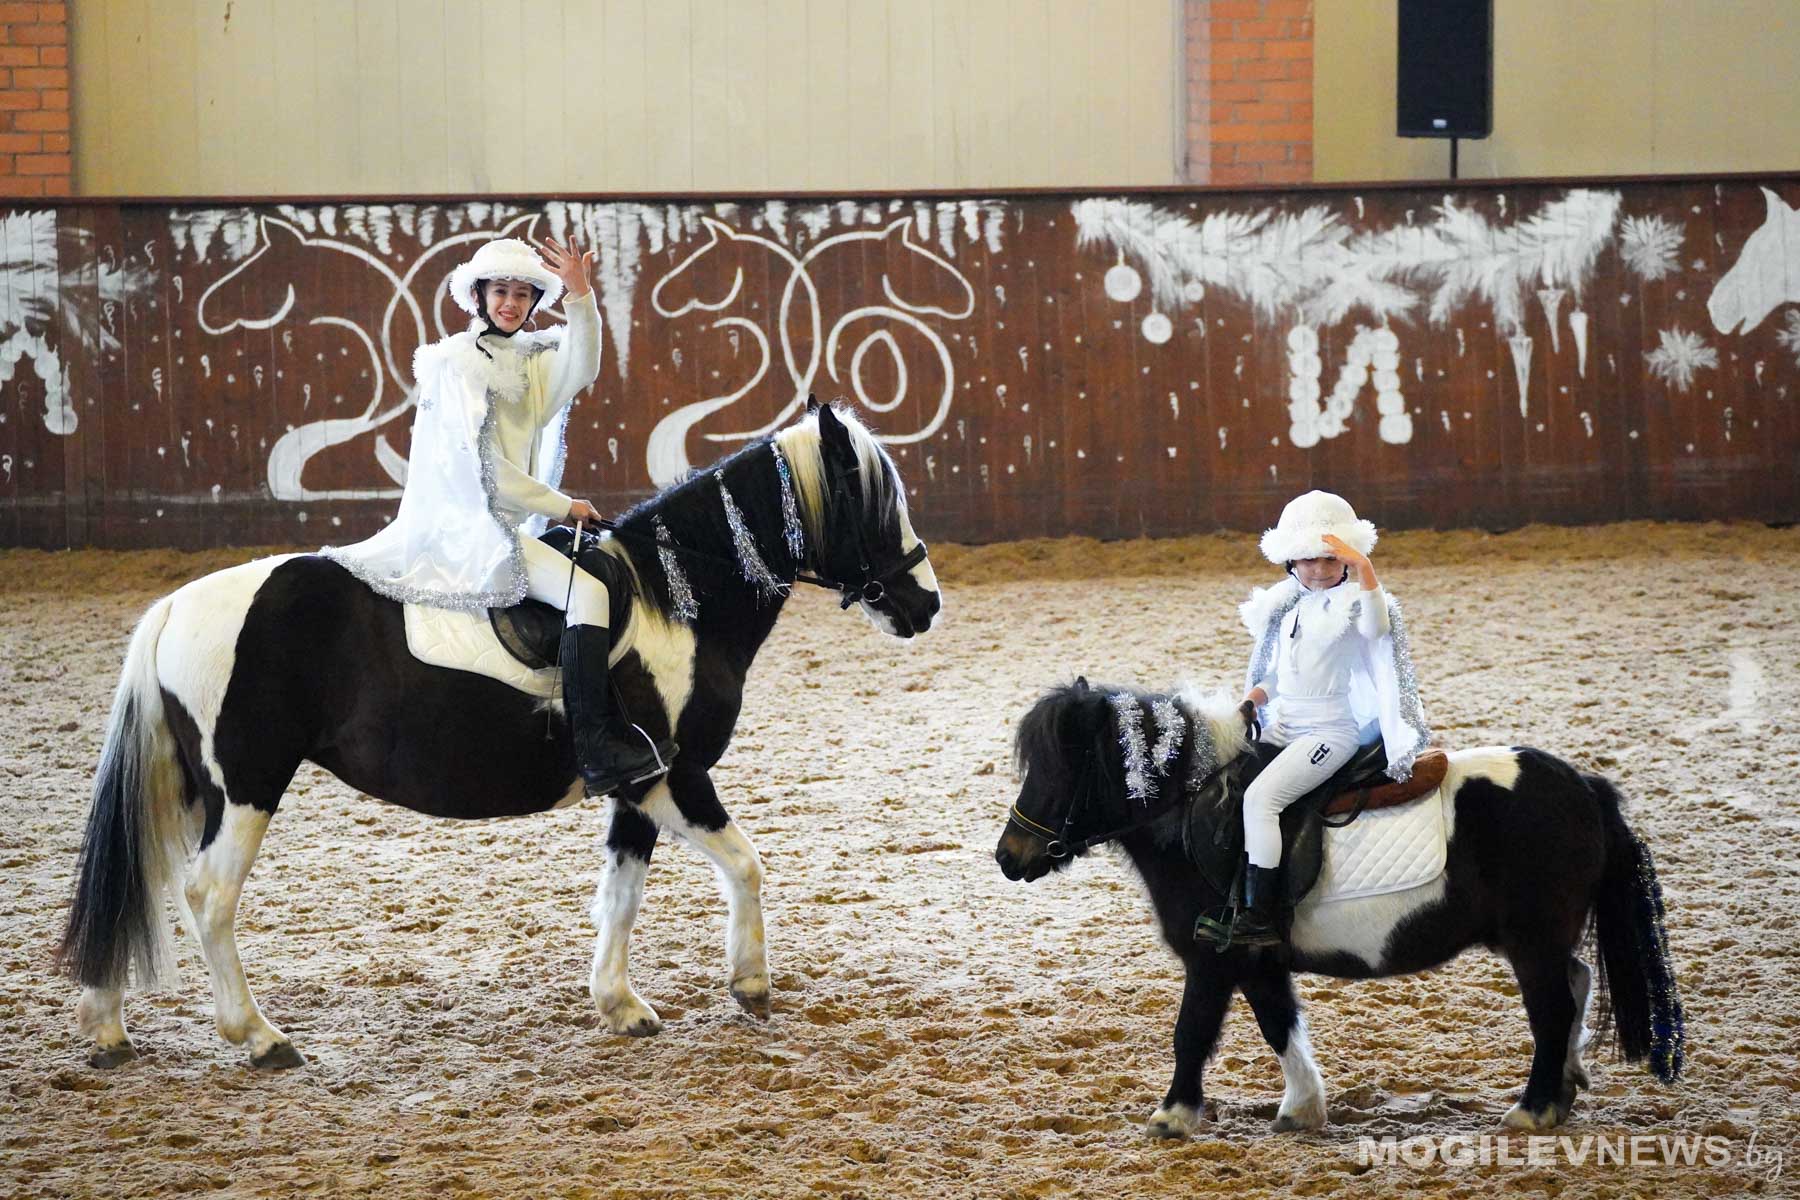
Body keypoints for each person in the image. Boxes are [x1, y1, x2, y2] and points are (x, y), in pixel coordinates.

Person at [322, 235, 673, 796]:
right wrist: (564, 505)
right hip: (472, 522)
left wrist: (581, 298)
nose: (510, 303)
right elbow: (483, 470)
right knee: (589, 595)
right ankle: (598, 745)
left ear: (533, 303)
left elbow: (583, 366)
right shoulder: (457, 364)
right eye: (501, 292)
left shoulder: (529, 359)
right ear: (479, 295)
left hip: (514, 520)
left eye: (521, 294)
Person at [1231, 490, 1431, 944]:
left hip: (1328, 733)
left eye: (1330, 560)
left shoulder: (1357, 603)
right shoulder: (1284, 606)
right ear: (1290, 562)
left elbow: (1377, 629)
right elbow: (1280, 675)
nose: (1319, 571)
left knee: (1261, 800)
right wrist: (1251, 701)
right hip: (1284, 725)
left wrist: (1365, 570)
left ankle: (1261, 917)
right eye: (1308, 561)